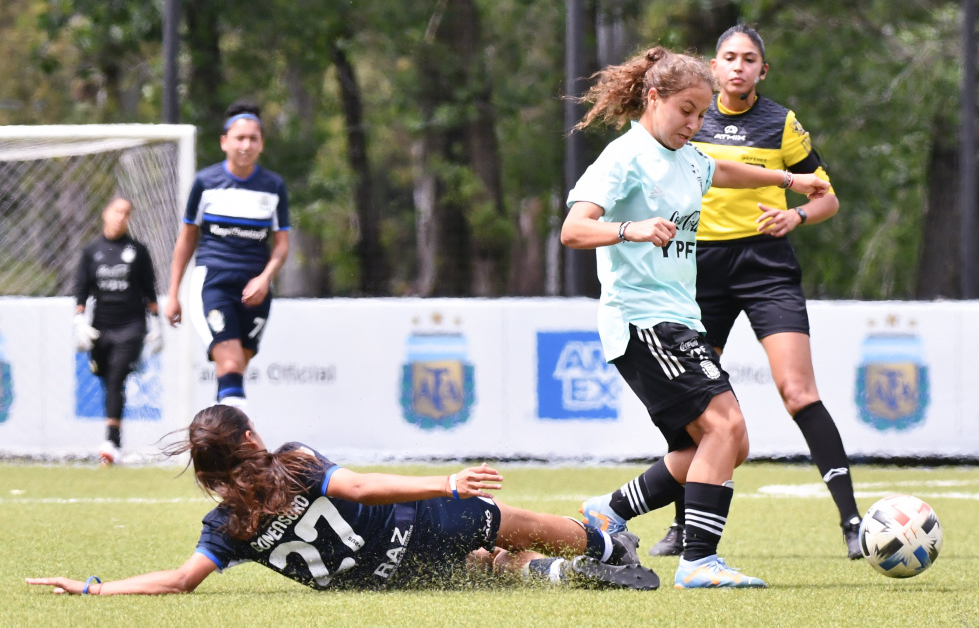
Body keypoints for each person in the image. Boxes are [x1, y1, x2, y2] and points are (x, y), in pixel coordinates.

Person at [561, 46, 829, 588]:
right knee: (725, 428)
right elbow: (573, 229)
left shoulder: (685, 156)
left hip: (679, 319)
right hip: (641, 321)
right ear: (653, 98)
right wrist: (628, 229)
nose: (695, 123)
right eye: (687, 110)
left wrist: (787, 181)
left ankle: (608, 512)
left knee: (722, 444)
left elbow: (721, 170)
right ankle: (699, 562)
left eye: (703, 113)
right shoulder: (624, 158)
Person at [26, 405, 658, 594]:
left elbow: (180, 580)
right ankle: (606, 544)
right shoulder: (292, 461)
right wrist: (447, 483)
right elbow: (356, 488)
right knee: (509, 522)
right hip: (419, 525)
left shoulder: (228, 524)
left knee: (475, 568)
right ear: (250, 438)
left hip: (388, 579)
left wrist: (94, 589)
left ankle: (552, 576)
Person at [648, 24, 862, 561]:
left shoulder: (781, 122)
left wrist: (797, 215)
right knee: (697, 402)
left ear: (762, 71)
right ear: (713, 67)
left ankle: (853, 521)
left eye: (749, 59)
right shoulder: (692, 119)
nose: (739, 66)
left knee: (798, 391)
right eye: (729, 57)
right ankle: (682, 528)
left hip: (766, 267)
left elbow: (827, 198)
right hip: (702, 271)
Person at [164, 102, 290, 413]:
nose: (246, 145)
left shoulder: (273, 187)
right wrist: (173, 293)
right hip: (214, 283)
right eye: (239, 138)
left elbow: (282, 244)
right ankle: (244, 450)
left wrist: (265, 278)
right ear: (224, 142)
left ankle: (217, 437)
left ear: (261, 143)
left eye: (253, 138)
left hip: (255, 289)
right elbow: (187, 239)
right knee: (230, 360)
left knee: (236, 367)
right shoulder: (206, 184)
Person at [73, 197, 163, 465]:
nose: (121, 217)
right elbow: (81, 289)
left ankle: (111, 442)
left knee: (117, 378)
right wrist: (79, 321)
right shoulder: (92, 251)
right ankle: (115, 442)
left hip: (131, 326)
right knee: (105, 379)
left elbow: (149, 289)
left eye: (126, 213)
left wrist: (157, 322)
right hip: (101, 326)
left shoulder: (137, 251)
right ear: (105, 213)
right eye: (117, 211)